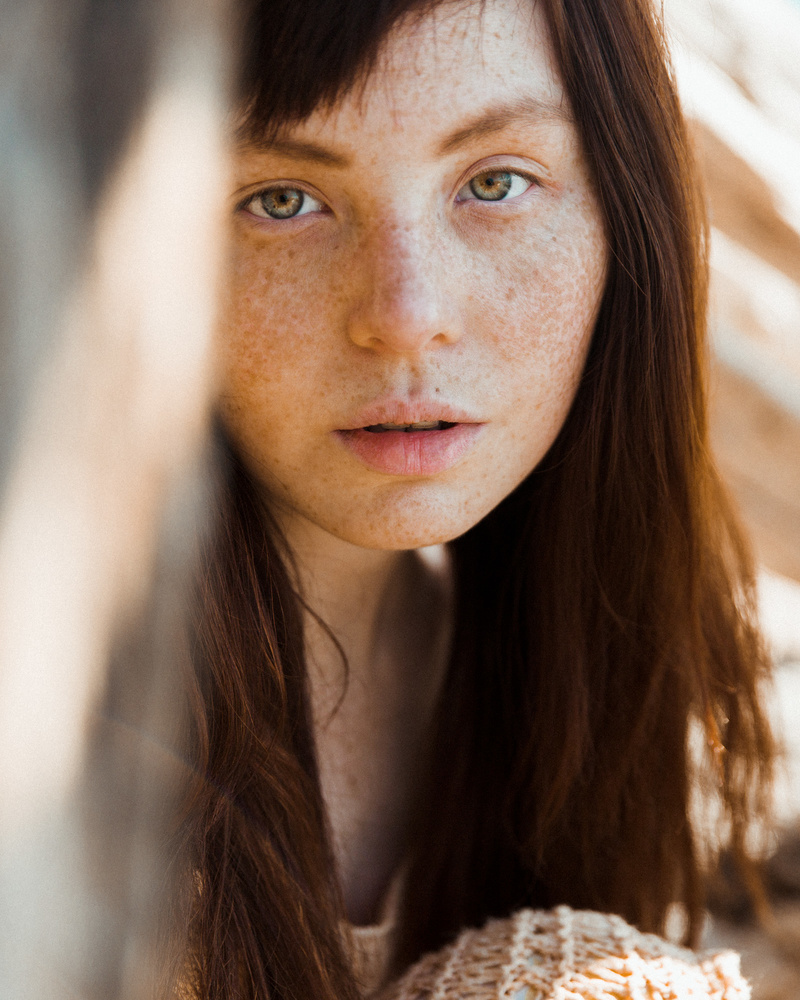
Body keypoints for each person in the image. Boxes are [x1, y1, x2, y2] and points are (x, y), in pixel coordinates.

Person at [172, 0, 775, 996]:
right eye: (279, 198)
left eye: (493, 183)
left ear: (624, 216)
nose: (405, 317)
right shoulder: (58, 765)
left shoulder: (574, 650)